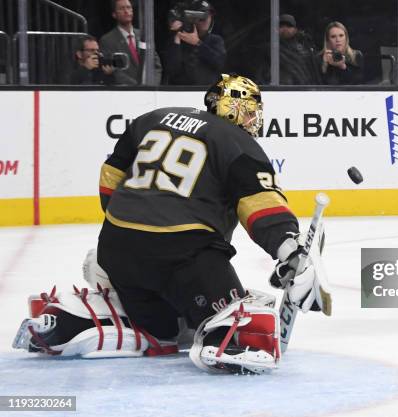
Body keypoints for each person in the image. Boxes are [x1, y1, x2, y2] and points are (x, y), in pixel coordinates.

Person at [12, 74, 327, 374]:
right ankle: (228, 339)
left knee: (165, 328)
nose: (252, 121)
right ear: (234, 109)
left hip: (115, 248)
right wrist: (292, 253)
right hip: (183, 257)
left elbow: (110, 178)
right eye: (249, 112)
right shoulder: (238, 144)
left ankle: (80, 320)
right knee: (239, 320)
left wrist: (128, 226)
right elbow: (263, 208)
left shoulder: (153, 118)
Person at [99, 0, 163, 86]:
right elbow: (114, 70)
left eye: (128, 8)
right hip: (125, 92)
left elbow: (156, 65)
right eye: (122, 8)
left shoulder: (144, 36)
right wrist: (136, 87)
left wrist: (151, 86)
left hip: (149, 91)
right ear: (114, 14)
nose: (126, 11)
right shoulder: (107, 40)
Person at [164, 0, 226, 86]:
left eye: (208, 16)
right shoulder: (180, 40)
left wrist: (197, 43)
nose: (206, 19)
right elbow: (172, 70)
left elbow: (219, 62)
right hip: (181, 93)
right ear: (190, 18)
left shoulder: (215, 40)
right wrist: (177, 36)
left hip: (207, 93)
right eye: (200, 16)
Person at [278, 14, 321, 85]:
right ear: (276, 30)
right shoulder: (271, 49)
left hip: (304, 87)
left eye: (289, 26)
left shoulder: (306, 45)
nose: (285, 29)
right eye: (281, 26)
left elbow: (315, 69)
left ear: (295, 30)